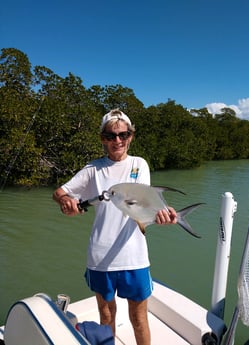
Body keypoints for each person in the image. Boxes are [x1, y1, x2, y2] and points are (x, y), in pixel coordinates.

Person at [53, 109, 177, 345]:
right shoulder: (93, 169)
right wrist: (66, 202)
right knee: (106, 315)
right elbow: (59, 192)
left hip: (134, 257)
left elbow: (145, 205)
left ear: (131, 136)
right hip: (100, 258)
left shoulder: (140, 165)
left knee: (139, 319)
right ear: (102, 138)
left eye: (123, 134)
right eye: (111, 136)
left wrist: (163, 216)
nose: (117, 141)